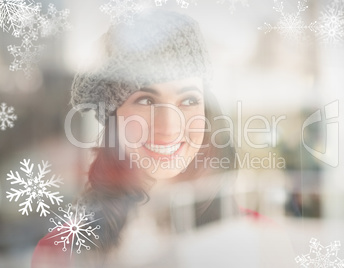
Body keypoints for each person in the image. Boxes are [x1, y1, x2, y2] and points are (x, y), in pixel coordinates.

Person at [31, 8, 256, 268]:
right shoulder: (62, 252)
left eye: (189, 100)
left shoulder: (254, 236)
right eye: (146, 100)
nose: (169, 126)